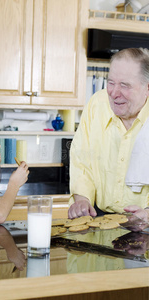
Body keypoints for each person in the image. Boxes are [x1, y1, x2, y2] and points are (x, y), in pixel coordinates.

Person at [68, 48, 149, 231]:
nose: (114, 93)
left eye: (125, 85)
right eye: (111, 83)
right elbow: (81, 160)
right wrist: (82, 200)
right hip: (98, 217)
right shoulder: (96, 104)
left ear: (147, 88)